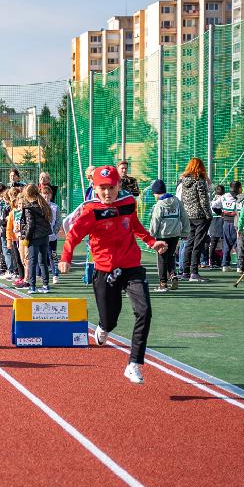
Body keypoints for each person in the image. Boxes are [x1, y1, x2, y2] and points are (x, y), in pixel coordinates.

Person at [59, 165, 168, 385]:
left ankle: (134, 364)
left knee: (144, 311)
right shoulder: (90, 210)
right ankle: (104, 327)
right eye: (102, 188)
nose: (107, 193)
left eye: (111, 187)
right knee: (110, 318)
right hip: (104, 270)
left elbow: (135, 226)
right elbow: (73, 236)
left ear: (119, 185)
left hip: (131, 266)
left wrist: (151, 242)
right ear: (95, 187)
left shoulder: (128, 203)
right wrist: (66, 258)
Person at [148, 179, 189, 292]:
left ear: (156, 192)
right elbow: (184, 216)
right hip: (175, 234)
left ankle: (163, 283)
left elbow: (155, 222)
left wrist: (151, 237)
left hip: (162, 235)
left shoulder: (159, 205)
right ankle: (173, 275)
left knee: (161, 258)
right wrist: (185, 231)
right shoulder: (177, 201)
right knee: (170, 256)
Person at [177, 157, 212, 282]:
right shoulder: (200, 181)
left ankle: (185, 271)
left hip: (188, 216)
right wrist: (209, 215)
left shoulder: (184, 181)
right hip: (200, 216)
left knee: (189, 243)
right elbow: (203, 200)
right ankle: (194, 272)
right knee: (198, 244)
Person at [22, 184, 52, 294]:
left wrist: (26, 238)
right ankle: (45, 285)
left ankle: (32, 286)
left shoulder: (29, 208)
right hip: (44, 237)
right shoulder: (43, 205)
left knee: (32, 262)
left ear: (27, 194)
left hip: (34, 237)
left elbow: (30, 224)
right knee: (43, 262)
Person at [41, 185, 60, 285]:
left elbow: (58, 221)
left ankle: (55, 274)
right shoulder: (39, 206)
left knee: (53, 255)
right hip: (42, 237)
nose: (46, 196)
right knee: (42, 256)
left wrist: (55, 231)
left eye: (48, 193)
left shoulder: (55, 207)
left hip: (52, 237)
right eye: (44, 193)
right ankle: (41, 274)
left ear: (51, 195)